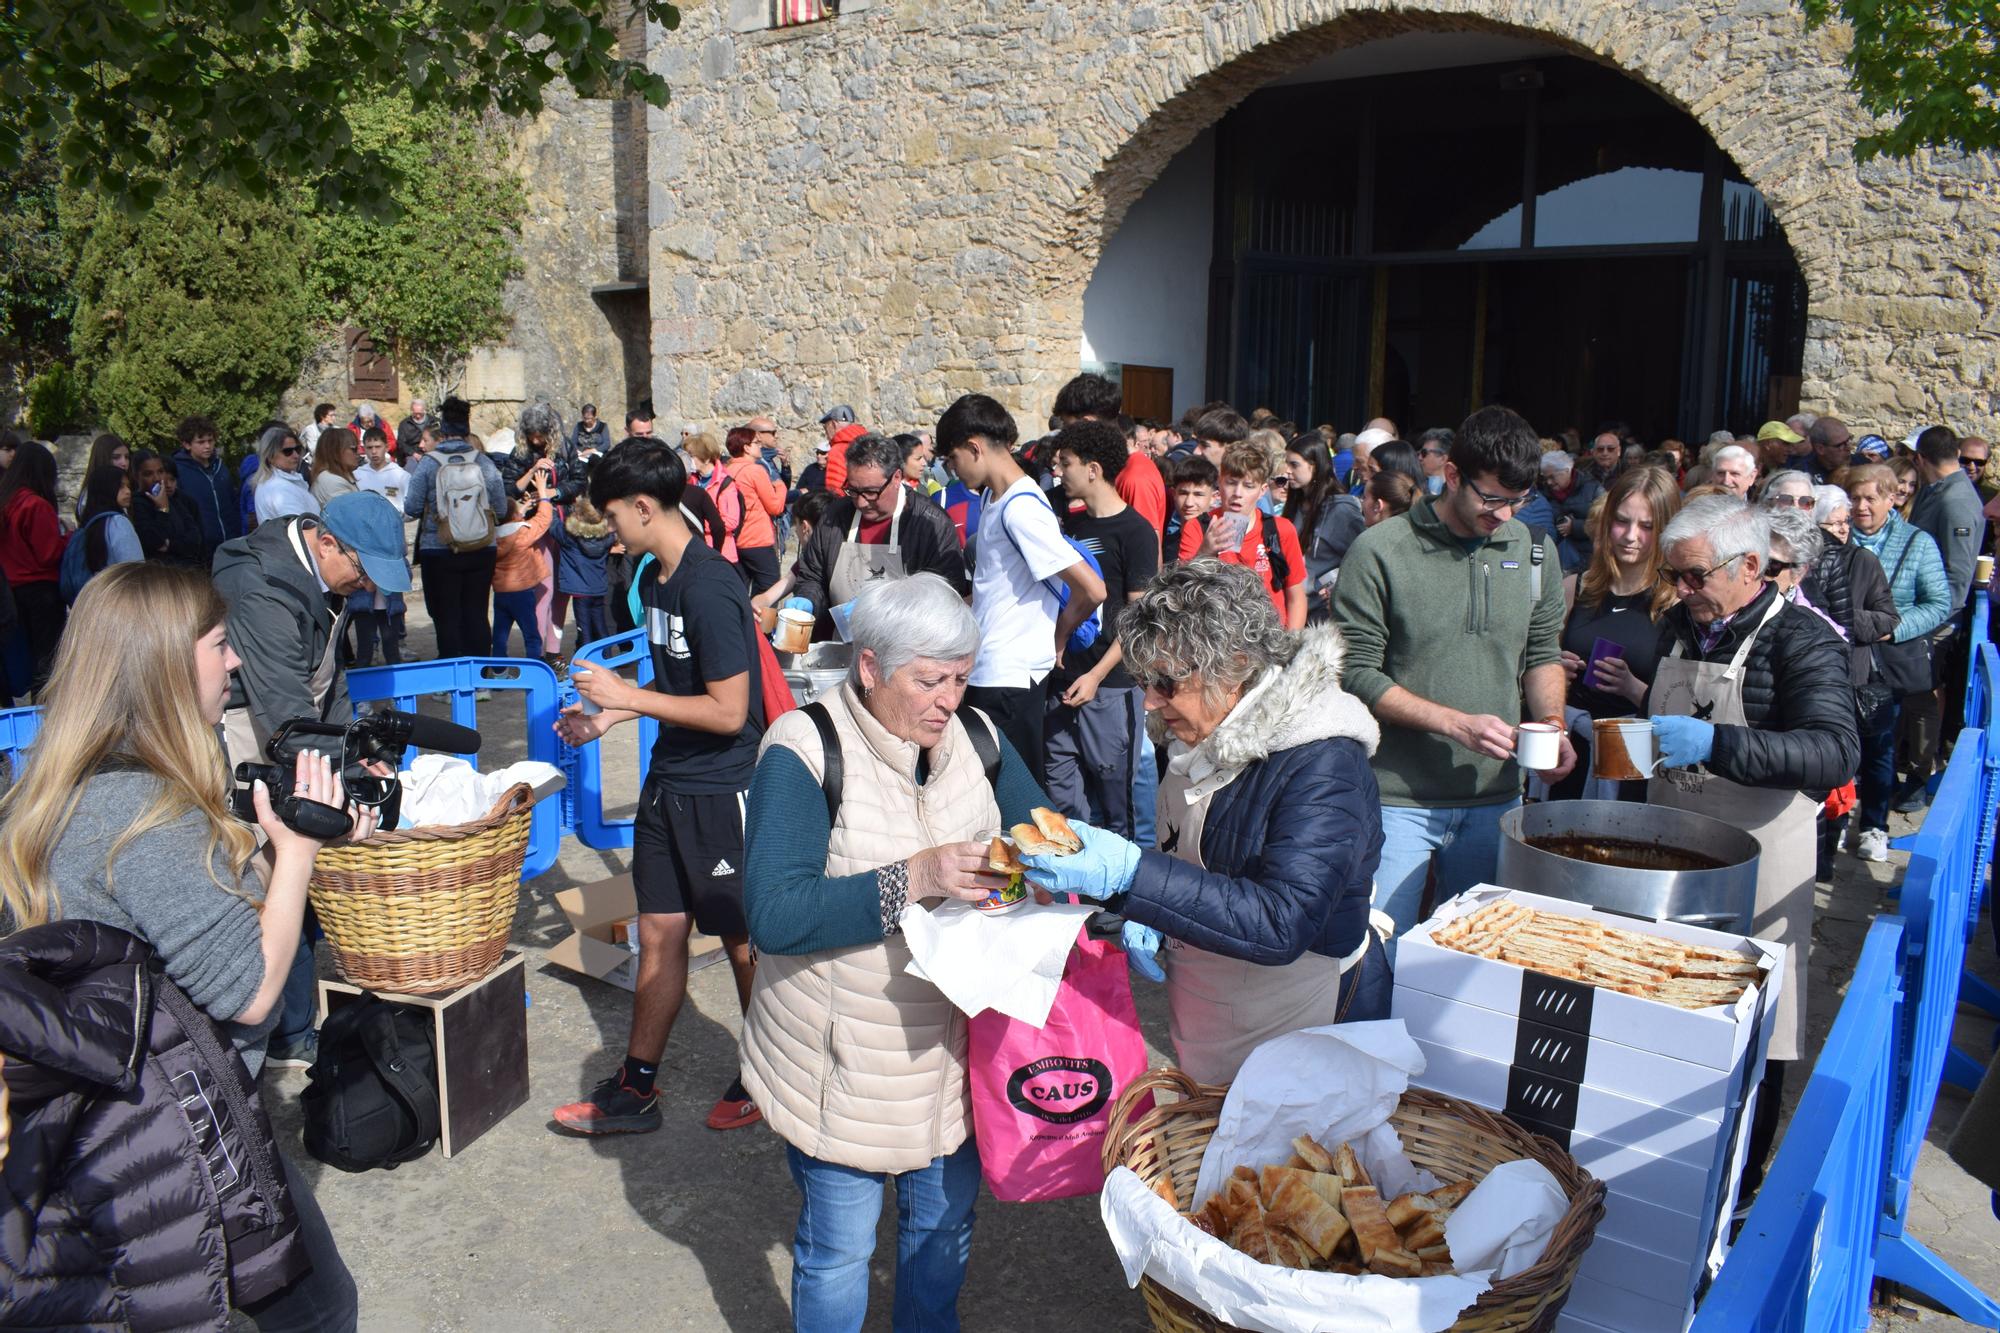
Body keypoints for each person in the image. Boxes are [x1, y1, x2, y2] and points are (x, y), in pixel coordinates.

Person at [0, 562, 366, 1331]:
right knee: (321, 1308)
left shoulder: (57, 786)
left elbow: (197, 925)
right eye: (219, 644)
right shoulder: (143, 814)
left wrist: (287, 844)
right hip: (178, 1130)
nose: (234, 660)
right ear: (165, 667)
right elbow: (253, 989)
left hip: (100, 1121)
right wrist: (296, 853)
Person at [740, 574, 1044, 1331]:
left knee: (939, 1240)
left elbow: (1040, 834)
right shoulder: (804, 747)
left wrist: (1031, 879)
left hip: (958, 1058)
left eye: (962, 677)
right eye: (930, 679)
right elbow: (775, 914)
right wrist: (921, 875)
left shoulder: (978, 739)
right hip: (844, 1063)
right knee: (839, 1250)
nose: (949, 698)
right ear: (869, 668)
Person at [1018, 559, 1390, 1084]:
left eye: (1166, 683)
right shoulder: (1200, 726)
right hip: (1210, 1015)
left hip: (1300, 1018)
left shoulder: (1324, 762)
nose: (1150, 701)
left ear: (1234, 666)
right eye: (1146, 681)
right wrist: (1155, 910)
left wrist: (1133, 877)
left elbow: (1283, 921)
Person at [1635, 496, 1857, 1182]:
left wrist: (1720, 743)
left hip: (1762, 856)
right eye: (1676, 576)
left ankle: (1742, 1178)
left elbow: (1834, 749)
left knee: (1756, 1024)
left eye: (1696, 575)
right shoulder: (1680, 625)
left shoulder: (1804, 640)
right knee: (1666, 1005)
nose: (1683, 590)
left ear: (1751, 565)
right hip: (1673, 845)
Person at [553, 441, 764, 1136]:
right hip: (669, 785)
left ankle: (768, 1074)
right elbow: (680, 685)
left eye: (612, 516)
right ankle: (636, 1086)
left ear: (645, 506)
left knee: (742, 941)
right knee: (659, 933)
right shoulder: (657, 576)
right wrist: (610, 713)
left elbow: (731, 711)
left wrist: (626, 698)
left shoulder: (707, 584)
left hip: (720, 791)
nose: (608, 531)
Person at [1332, 405, 1575, 938]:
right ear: (1453, 475)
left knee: (1471, 958)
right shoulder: (1382, 550)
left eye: (1519, 501)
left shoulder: (1535, 551)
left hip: (1496, 798)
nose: (1505, 515)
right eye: (1491, 498)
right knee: (1376, 953)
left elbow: (1540, 652)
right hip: (1397, 800)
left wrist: (1552, 723)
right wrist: (1454, 723)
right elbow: (1356, 673)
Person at [938, 394, 1105, 779]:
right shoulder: (997, 499)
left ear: (974, 447)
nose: (952, 470)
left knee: (1011, 798)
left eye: (953, 459)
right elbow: (998, 586)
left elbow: (1093, 590)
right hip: (993, 669)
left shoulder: (1022, 507)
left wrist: (1060, 636)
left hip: (1008, 678)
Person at [1043, 419, 1159, 838]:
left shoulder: (1136, 532)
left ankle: (1120, 899)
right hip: (1060, 681)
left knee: (1115, 810)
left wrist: (1095, 676)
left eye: (1067, 463)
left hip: (1110, 688)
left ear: (1093, 469)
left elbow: (1138, 619)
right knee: (1065, 805)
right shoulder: (1066, 524)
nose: (1060, 473)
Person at [1840, 464, 1951, 860]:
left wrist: (1894, 630)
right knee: (1835, 737)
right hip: (1838, 656)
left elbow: (1939, 602)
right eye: (1854, 497)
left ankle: (1873, 824)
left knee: (1879, 744)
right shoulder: (1836, 535)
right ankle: (1835, 817)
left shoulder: (1917, 543)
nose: (1861, 506)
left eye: (1871, 498)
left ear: (1893, 498)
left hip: (1885, 660)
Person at [1552, 467, 1680, 801]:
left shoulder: (1678, 602)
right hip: (1570, 751)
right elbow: (1535, 667)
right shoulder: (1574, 587)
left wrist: (1634, 689)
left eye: (1647, 526)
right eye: (1622, 521)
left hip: (1638, 757)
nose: (1631, 536)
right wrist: (1554, 672)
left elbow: (1689, 704)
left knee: (1618, 843)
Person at [787, 432, 970, 635]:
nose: (861, 502)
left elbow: (946, 595)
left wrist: (882, 608)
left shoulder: (930, 524)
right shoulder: (835, 518)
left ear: (896, 478)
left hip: (906, 648)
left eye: (871, 492)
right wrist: (808, 599)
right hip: (843, 645)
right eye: (853, 491)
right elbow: (813, 575)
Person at [1898, 424, 1985, 811]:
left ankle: (1918, 777)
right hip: (1918, 614)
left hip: (1933, 622)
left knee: (1922, 699)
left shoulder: (1956, 501)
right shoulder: (1941, 493)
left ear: (1920, 459)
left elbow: (1957, 577)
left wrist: (1925, 622)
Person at [403, 397, 508, 660]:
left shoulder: (428, 463)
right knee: (477, 612)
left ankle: (451, 679)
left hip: (439, 548)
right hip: (481, 547)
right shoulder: (483, 462)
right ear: (466, 426)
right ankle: (481, 676)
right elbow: (501, 509)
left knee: (445, 616)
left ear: (443, 428)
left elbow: (413, 507)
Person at [1193, 440, 1307, 629]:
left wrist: (1290, 643)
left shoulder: (1281, 529)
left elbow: (1296, 596)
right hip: (1217, 640)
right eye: (1231, 483)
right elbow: (1183, 591)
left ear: (1262, 490)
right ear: (1219, 482)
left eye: (1248, 486)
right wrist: (1206, 552)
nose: (1238, 493)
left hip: (1269, 642)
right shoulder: (1199, 527)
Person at [0, 440, 68, 694]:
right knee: (46, 662)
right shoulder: (35, 505)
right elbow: (49, 553)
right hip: (40, 591)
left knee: (20, 658)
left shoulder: (6, 501)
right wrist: (69, 537)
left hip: (10, 591)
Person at [1284, 434, 1362, 620]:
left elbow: (1360, 560)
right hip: (1291, 607)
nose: (1287, 471)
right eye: (1286, 463)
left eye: (1294, 465)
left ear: (1315, 465)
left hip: (1321, 615)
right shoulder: (1296, 503)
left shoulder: (1341, 510)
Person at [723, 424, 786, 594]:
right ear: (746, 448)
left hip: (735, 540)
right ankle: (762, 622)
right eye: (756, 443)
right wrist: (781, 487)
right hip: (757, 539)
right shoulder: (754, 471)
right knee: (769, 591)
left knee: (740, 590)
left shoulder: (726, 470)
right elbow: (775, 507)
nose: (760, 446)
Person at [170, 413, 240, 562]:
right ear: (187, 444)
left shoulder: (220, 467)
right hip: (201, 549)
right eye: (201, 442)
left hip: (230, 541)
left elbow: (232, 501)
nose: (207, 446)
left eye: (210, 440)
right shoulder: (178, 471)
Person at [492, 492, 554, 660]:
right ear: (514, 516)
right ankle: (534, 670)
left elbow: (509, 524)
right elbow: (543, 519)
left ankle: (498, 674)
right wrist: (544, 497)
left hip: (501, 592)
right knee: (532, 635)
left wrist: (521, 510)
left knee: (500, 637)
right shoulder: (522, 534)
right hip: (522, 592)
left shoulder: (492, 536)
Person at [554, 490, 615, 652]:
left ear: (579, 517)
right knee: (600, 626)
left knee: (584, 629)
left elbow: (552, 524)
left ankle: (587, 661)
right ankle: (608, 660)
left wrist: (548, 502)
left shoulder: (569, 537)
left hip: (580, 592)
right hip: (599, 588)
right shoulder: (607, 537)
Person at [128, 448, 207, 567]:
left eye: (160, 472)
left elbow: (195, 539)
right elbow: (153, 541)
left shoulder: (173, 499)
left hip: (188, 570)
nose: (157, 478)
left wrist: (170, 545)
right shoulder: (137, 504)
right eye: (148, 474)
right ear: (136, 476)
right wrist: (162, 510)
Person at [72, 463, 144, 588]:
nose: (128, 491)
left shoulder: (89, 523)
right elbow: (135, 568)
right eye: (120, 486)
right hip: (121, 594)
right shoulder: (118, 522)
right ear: (106, 488)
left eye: (128, 486)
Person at [1540, 449, 1601, 572]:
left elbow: (1604, 523)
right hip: (1558, 557)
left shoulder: (1594, 489)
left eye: (1552, 477)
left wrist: (1574, 526)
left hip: (1588, 557)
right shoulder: (1545, 492)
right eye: (1546, 478)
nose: (1549, 482)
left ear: (1567, 471)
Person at [249, 426, 318, 525]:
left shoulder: (275, 482)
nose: (296, 455)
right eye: (287, 451)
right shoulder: (280, 489)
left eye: (297, 449)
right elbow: (300, 530)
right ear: (270, 456)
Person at [1162, 454, 1217, 565]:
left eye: (1198, 494)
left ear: (1213, 498)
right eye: (1183, 493)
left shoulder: (1221, 541)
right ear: (1174, 494)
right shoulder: (1168, 543)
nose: (1189, 503)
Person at [72, 433, 130, 520]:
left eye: (127, 457)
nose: (124, 463)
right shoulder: (90, 496)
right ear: (102, 458)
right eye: (116, 457)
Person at [309, 425, 361, 508]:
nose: (359, 453)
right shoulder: (332, 481)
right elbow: (352, 515)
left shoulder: (335, 477)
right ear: (336, 451)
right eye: (354, 449)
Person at [1805, 416, 1856, 485]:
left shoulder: (1862, 464)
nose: (1849, 448)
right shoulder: (1804, 474)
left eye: (1848, 440)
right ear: (1820, 449)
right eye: (1840, 445)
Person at [1414, 427, 1453, 496]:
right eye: (1418, 453)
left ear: (1442, 459)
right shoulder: (1416, 489)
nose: (1419, 458)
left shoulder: (1456, 490)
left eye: (1424, 453)